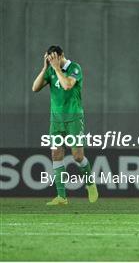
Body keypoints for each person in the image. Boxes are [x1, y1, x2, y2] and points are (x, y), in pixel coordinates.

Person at [32, 45, 98, 206]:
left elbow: (67, 85)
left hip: (74, 118)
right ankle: (61, 196)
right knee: (56, 155)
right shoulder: (50, 69)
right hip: (56, 120)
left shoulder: (74, 68)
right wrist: (45, 68)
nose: (52, 61)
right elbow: (35, 88)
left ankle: (90, 184)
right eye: (49, 58)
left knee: (77, 156)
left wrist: (56, 69)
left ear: (61, 56)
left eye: (54, 57)